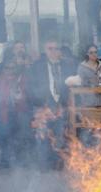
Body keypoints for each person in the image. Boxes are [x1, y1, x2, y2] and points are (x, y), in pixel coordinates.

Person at [27, 38, 76, 170]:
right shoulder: (36, 67)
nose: (54, 52)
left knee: (60, 135)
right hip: (42, 107)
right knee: (42, 136)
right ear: (45, 50)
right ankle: (43, 165)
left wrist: (65, 103)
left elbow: (72, 86)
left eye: (56, 49)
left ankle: (58, 164)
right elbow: (30, 88)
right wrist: (42, 103)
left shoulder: (68, 66)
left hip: (61, 106)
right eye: (50, 49)